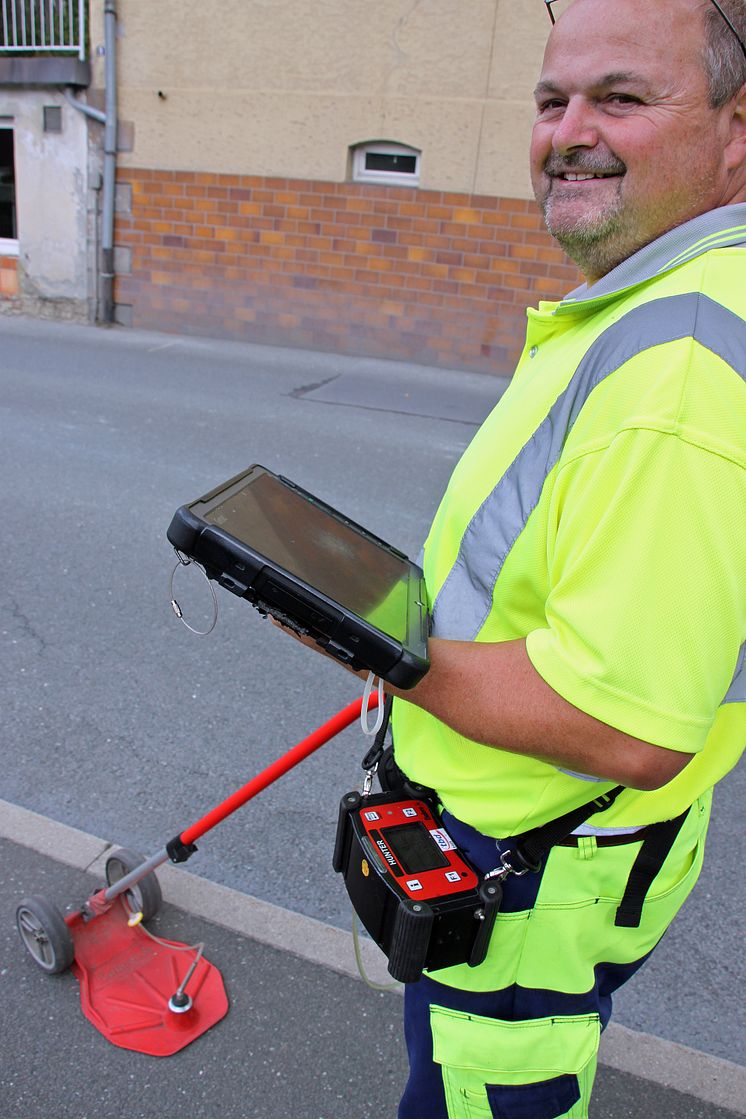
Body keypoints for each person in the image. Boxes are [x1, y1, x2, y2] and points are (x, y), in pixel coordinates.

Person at [280, 0, 746, 1114]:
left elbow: (620, 722)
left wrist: (390, 652)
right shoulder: (643, 298)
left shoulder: (677, 369)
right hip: (552, 849)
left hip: (533, 869)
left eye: (621, 98)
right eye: (550, 99)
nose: (566, 132)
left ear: (736, 128)